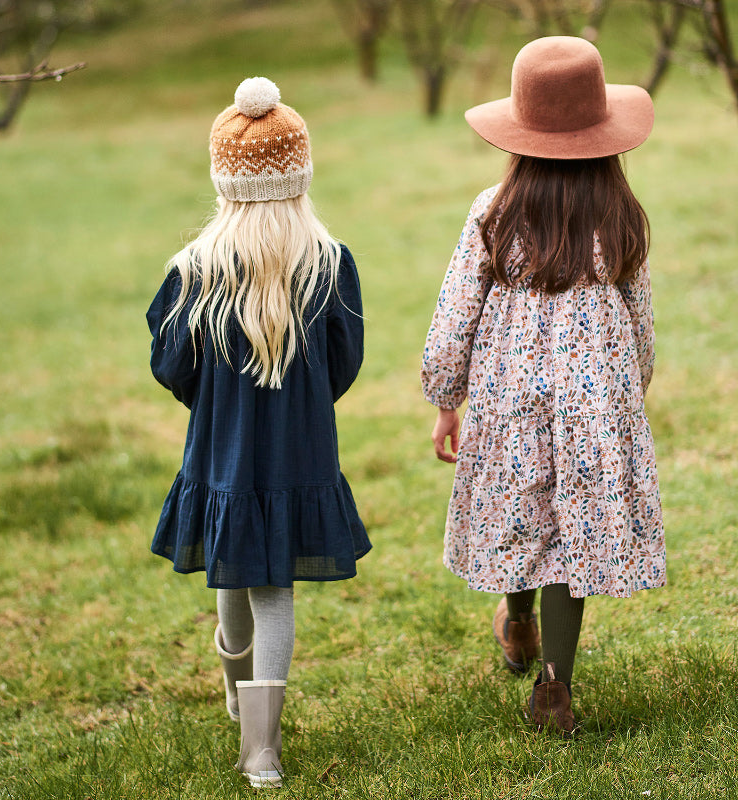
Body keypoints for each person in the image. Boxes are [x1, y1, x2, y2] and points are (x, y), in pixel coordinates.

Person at [421, 36, 665, 734]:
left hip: (510, 395)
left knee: (524, 506)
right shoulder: (620, 214)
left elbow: (456, 313)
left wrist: (446, 397)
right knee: (572, 528)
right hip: (595, 403)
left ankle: (520, 622)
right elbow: (637, 316)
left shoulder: (493, 210)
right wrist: (630, 385)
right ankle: (554, 685)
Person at [147, 77, 370, 786]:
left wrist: (213, 402)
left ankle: (240, 702)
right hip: (298, 452)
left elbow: (169, 363)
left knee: (234, 569)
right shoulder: (328, 265)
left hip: (222, 450)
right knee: (276, 590)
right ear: (301, 177)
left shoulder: (195, 271)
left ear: (224, 182)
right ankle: (261, 750)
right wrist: (302, 403)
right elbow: (344, 363)